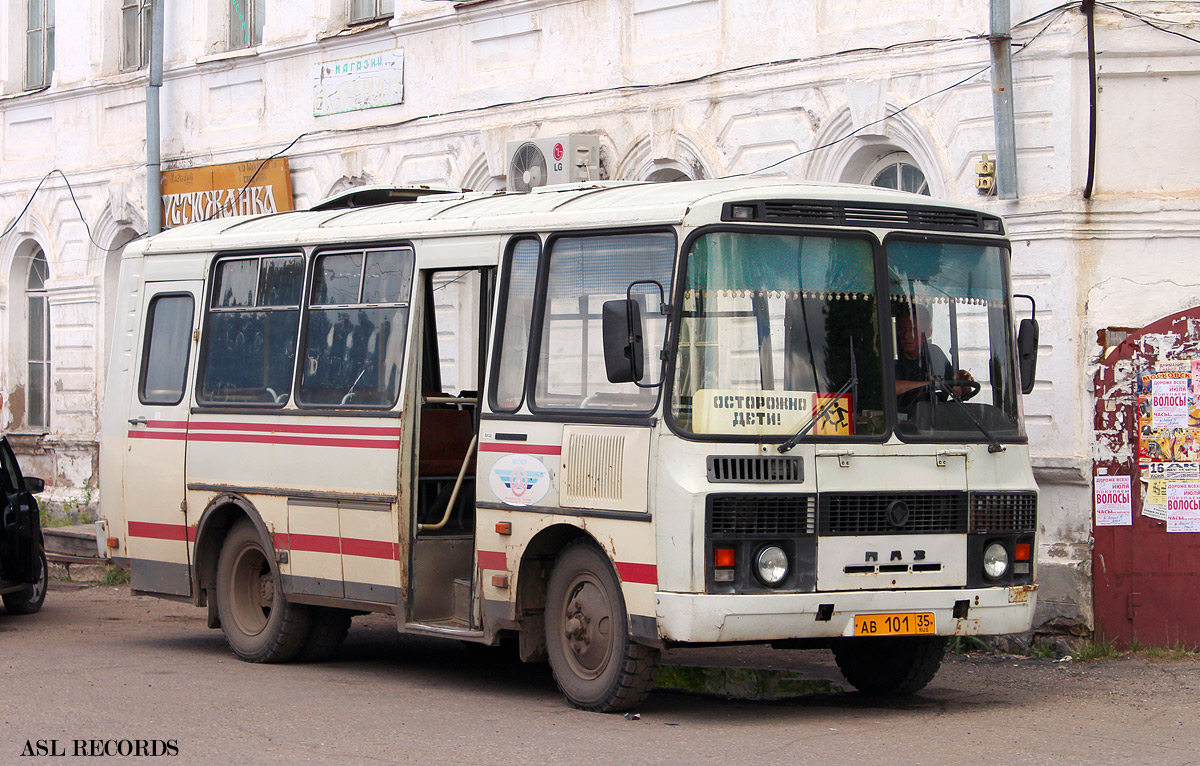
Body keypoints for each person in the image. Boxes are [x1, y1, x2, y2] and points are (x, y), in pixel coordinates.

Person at [894, 303, 974, 397]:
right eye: (903, 329)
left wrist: (963, 384)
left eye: (913, 330)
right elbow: (890, 387)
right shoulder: (891, 355)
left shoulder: (935, 354)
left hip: (937, 411)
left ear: (928, 334)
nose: (907, 336)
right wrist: (931, 384)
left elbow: (955, 387)